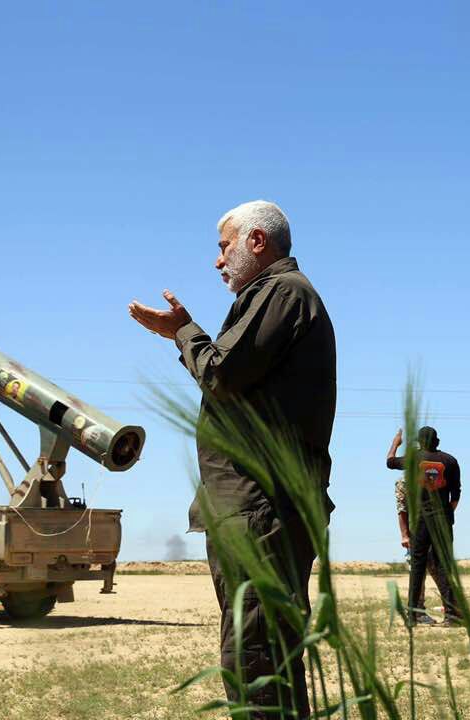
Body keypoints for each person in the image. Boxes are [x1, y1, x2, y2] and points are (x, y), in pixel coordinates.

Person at [128, 200, 336, 719]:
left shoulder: (283, 292)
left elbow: (221, 373)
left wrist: (182, 330)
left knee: (258, 655)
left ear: (257, 242)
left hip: (262, 510)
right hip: (250, 508)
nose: (217, 262)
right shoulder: (272, 296)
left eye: (224, 247)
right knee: (255, 653)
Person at [386, 426, 461, 625]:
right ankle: (451, 616)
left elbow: (390, 462)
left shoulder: (414, 459)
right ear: (437, 441)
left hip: (421, 520)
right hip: (443, 520)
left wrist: (396, 443)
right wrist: (447, 513)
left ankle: (412, 615)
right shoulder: (450, 460)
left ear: (419, 442)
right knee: (445, 565)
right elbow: (456, 494)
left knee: (417, 566)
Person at [393, 475, 450, 623]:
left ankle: (452, 609)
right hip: (417, 532)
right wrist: (405, 535)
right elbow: (402, 509)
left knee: (440, 569)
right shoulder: (405, 481)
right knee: (419, 571)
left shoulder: (434, 476)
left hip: (435, 530)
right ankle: (418, 612)